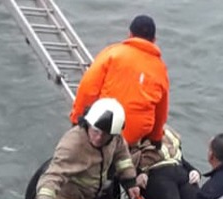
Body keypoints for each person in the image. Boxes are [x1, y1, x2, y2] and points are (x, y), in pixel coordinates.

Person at [69, 15, 169, 148]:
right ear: (154, 40)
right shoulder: (160, 68)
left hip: (104, 128)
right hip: (134, 135)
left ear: (130, 34)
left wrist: (77, 120)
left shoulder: (113, 53)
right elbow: (161, 110)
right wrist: (156, 139)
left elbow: (88, 88)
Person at [133, 125, 201, 199]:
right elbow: (123, 160)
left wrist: (194, 171)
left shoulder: (168, 131)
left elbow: (181, 158)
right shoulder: (134, 131)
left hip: (181, 171)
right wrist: (137, 175)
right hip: (156, 173)